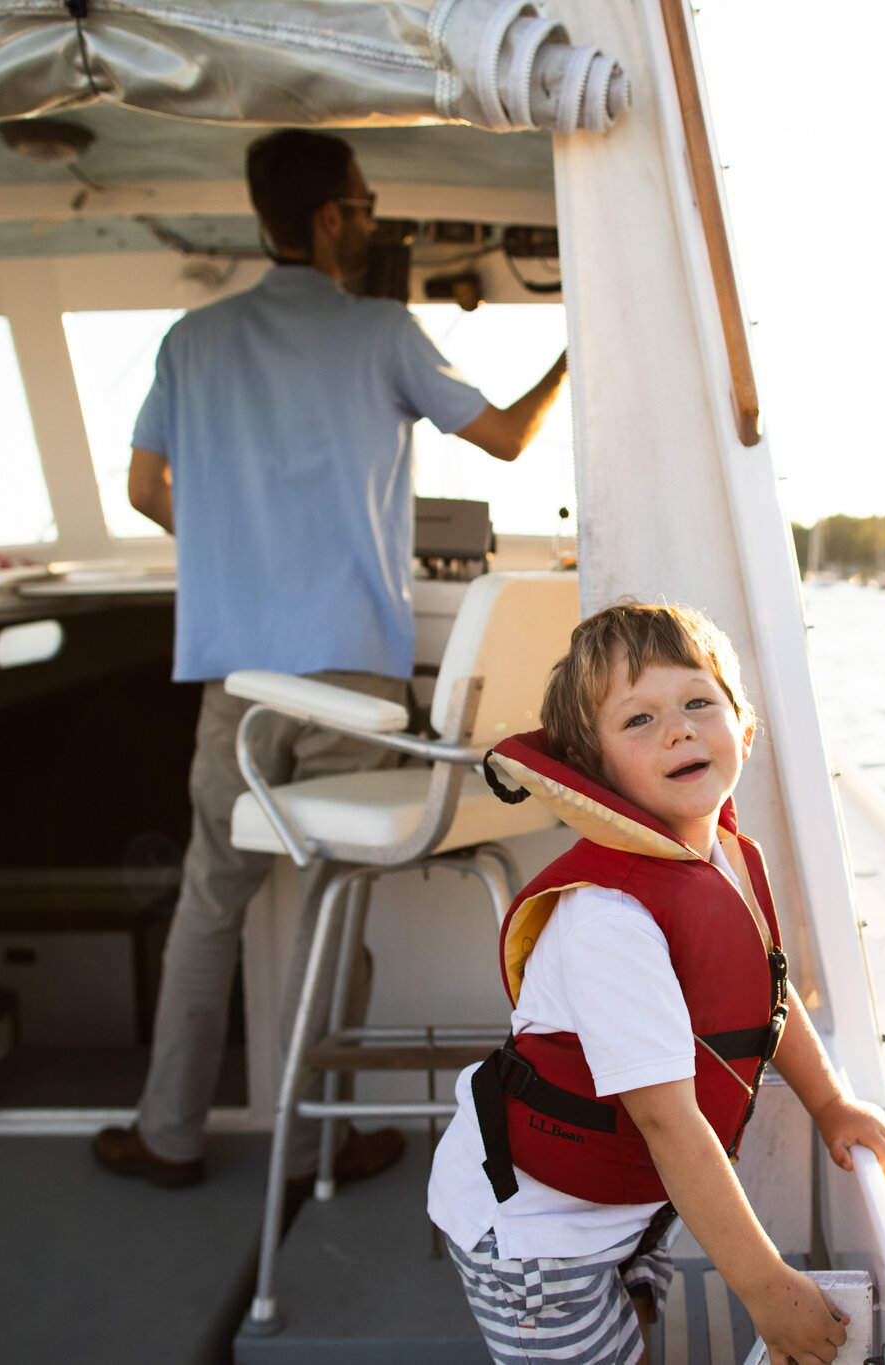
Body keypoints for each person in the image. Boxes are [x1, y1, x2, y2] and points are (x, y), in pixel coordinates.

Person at [93, 128, 569, 1191]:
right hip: (354, 683)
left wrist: (231, 551)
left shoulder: (191, 340)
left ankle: (167, 1135)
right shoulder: (379, 333)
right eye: (361, 203)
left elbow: (142, 489)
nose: (369, 219)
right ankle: (316, 1143)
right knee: (334, 907)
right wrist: (576, 350)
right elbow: (506, 440)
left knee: (207, 907)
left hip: (242, 689)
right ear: (325, 220)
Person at [427, 603, 885, 1365]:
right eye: (638, 719)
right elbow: (669, 1124)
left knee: (635, 1331)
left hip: (630, 1209)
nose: (677, 729)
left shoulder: (728, 860)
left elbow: (766, 999)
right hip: (536, 1241)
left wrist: (831, 1102)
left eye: (696, 702)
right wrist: (770, 1292)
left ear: (744, 728)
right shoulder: (608, 920)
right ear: (595, 772)